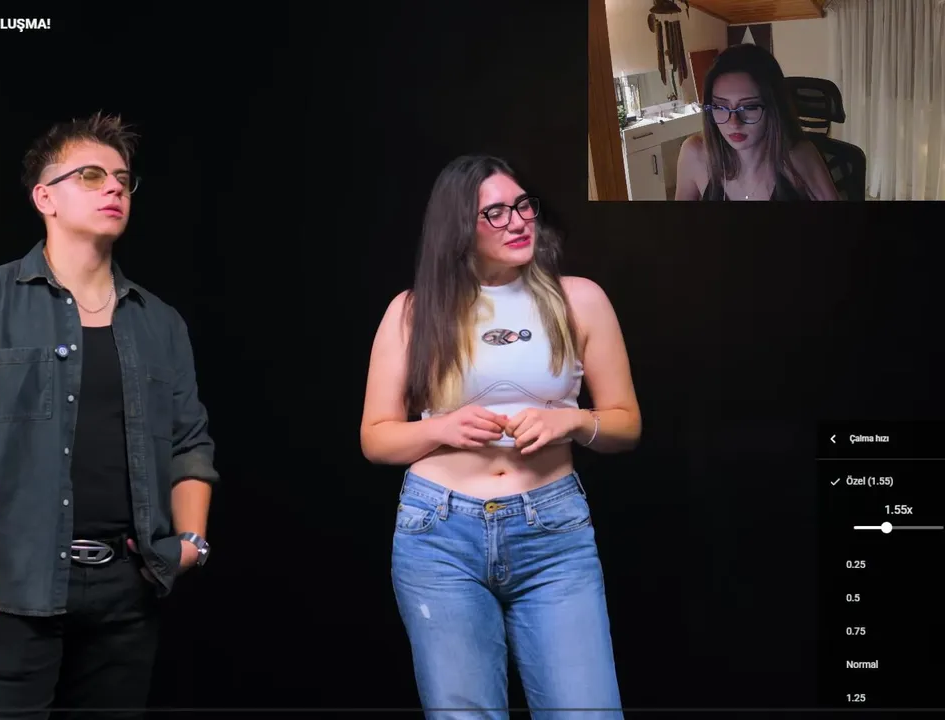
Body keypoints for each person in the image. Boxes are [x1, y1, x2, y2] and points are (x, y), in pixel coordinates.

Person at [0, 113, 218, 719]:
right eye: (92, 175)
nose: (114, 188)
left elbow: (190, 444)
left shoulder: (160, 322)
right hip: (10, 588)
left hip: (129, 593)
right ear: (44, 197)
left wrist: (190, 545)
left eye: (123, 179)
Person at [360, 155, 642, 719]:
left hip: (552, 531)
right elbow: (376, 438)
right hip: (439, 534)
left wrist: (572, 421)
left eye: (522, 206)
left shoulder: (579, 299)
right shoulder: (413, 311)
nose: (518, 222)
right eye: (495, 213)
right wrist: (441, 427)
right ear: (458, 229)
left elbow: (626, 424)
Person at [675, 43, 840, 201]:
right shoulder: (695, 154)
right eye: (721, 107)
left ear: (773, 109)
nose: (734, 123)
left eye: (750, 107)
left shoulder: (798, 157)